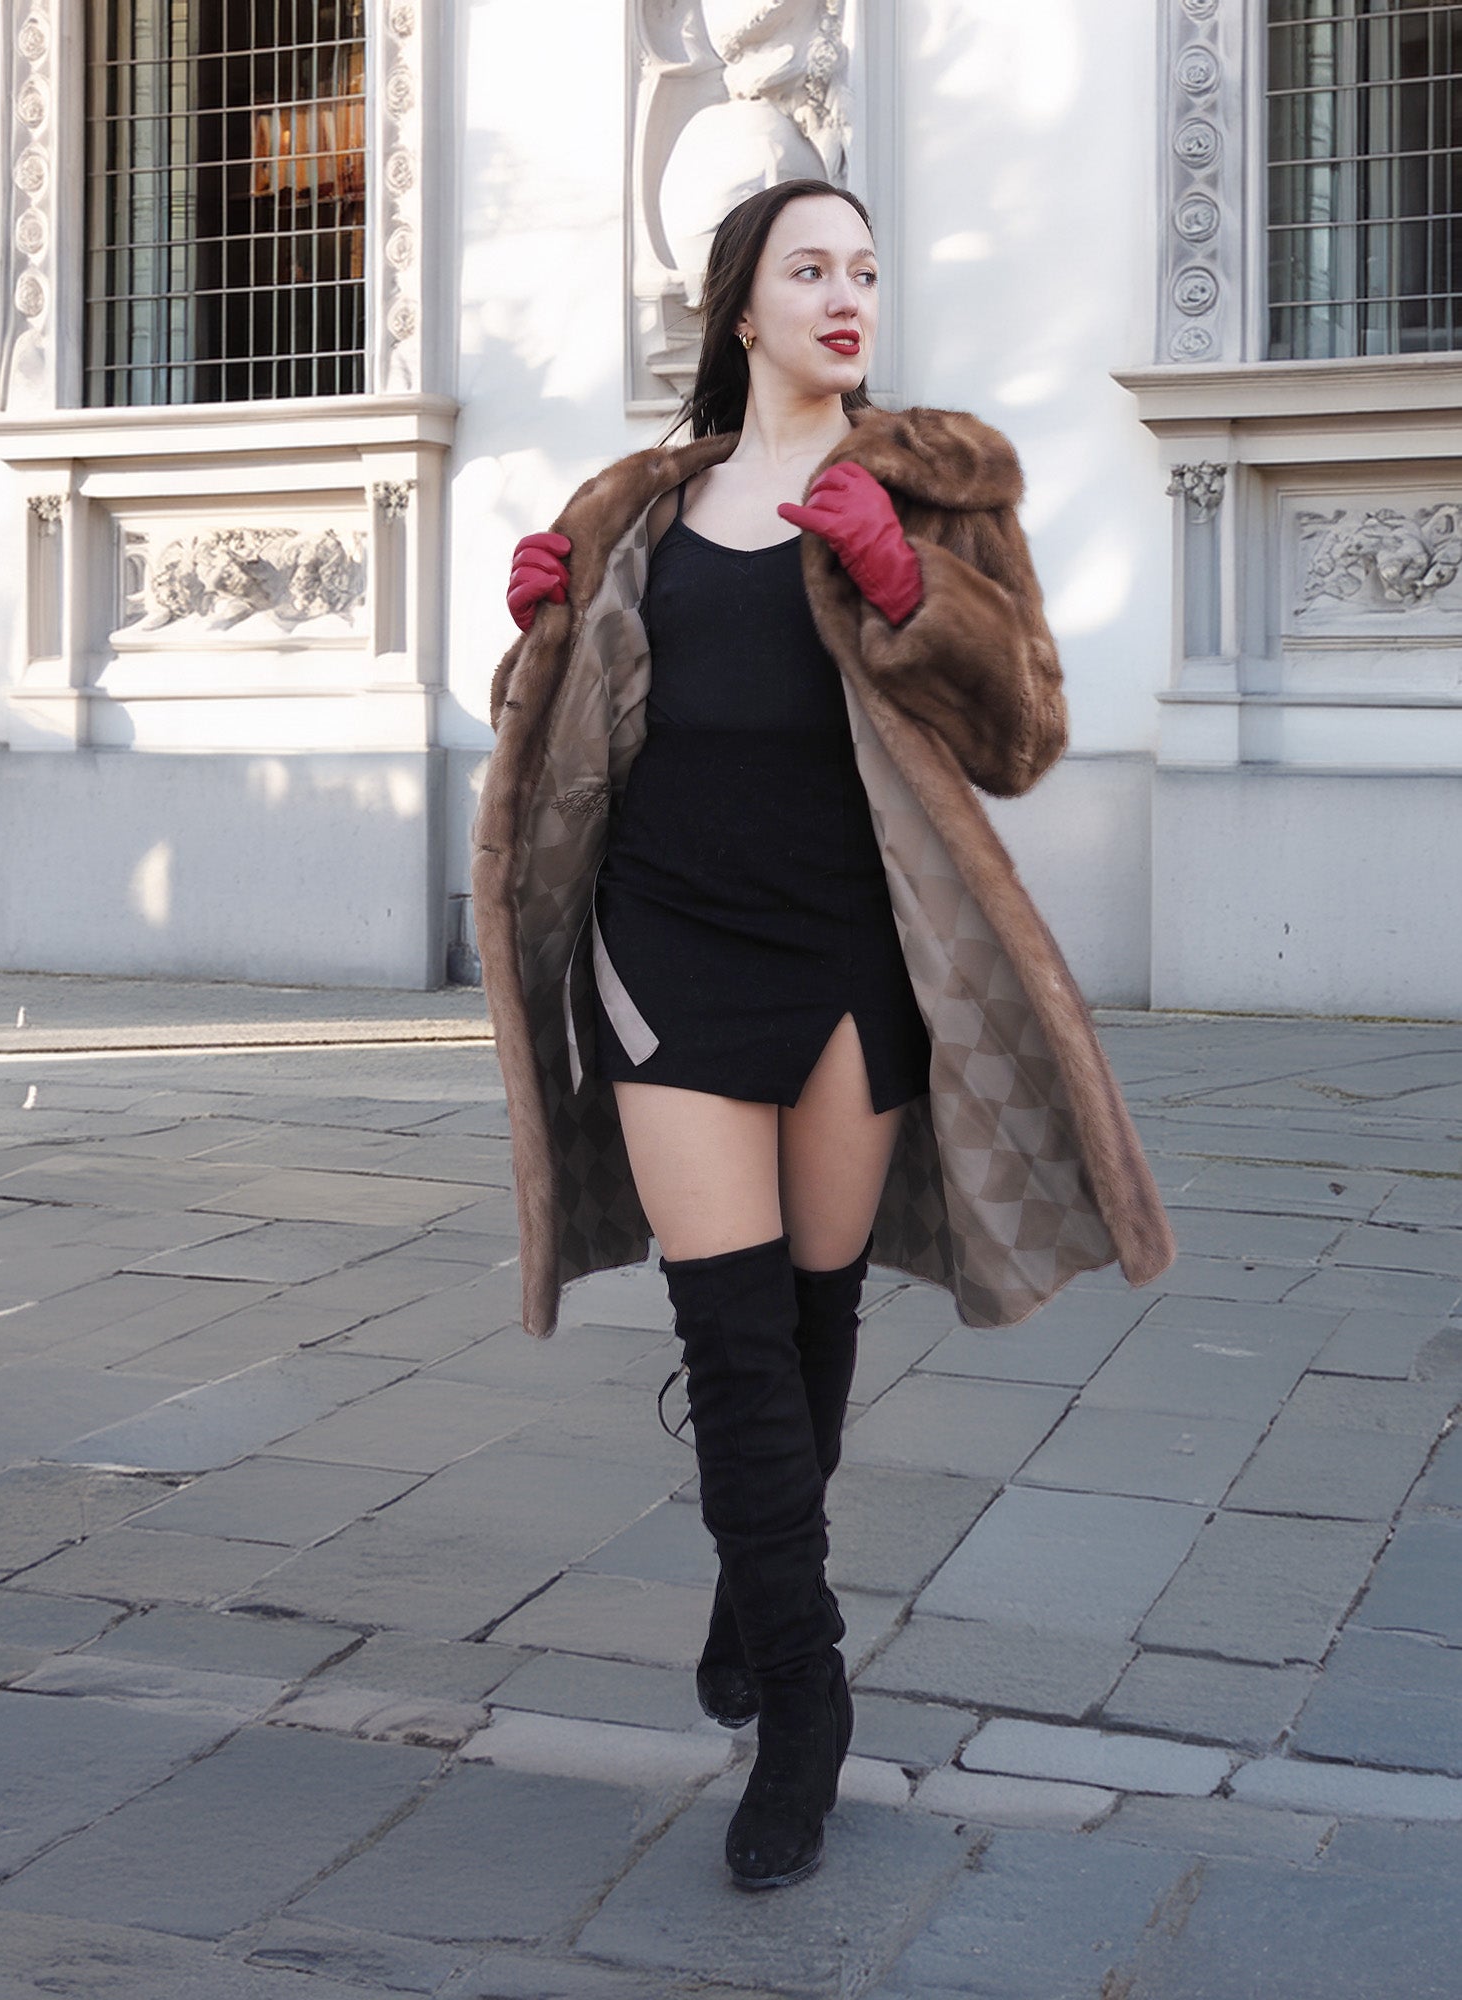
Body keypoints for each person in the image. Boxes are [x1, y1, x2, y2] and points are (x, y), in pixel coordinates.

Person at [474, 179, 1175, 1891]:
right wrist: (537, 641)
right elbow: (561, 734)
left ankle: (752, 1574)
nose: (846, 294)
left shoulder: (936, 487)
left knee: (808, 1322)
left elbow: (1020, 732)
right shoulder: (637, 505)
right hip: (671, 945)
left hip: (857, 952)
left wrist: (903, 587)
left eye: (865, 270)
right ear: (742, 310)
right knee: (729, 1335)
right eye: (811, 269)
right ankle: (806, 1700)